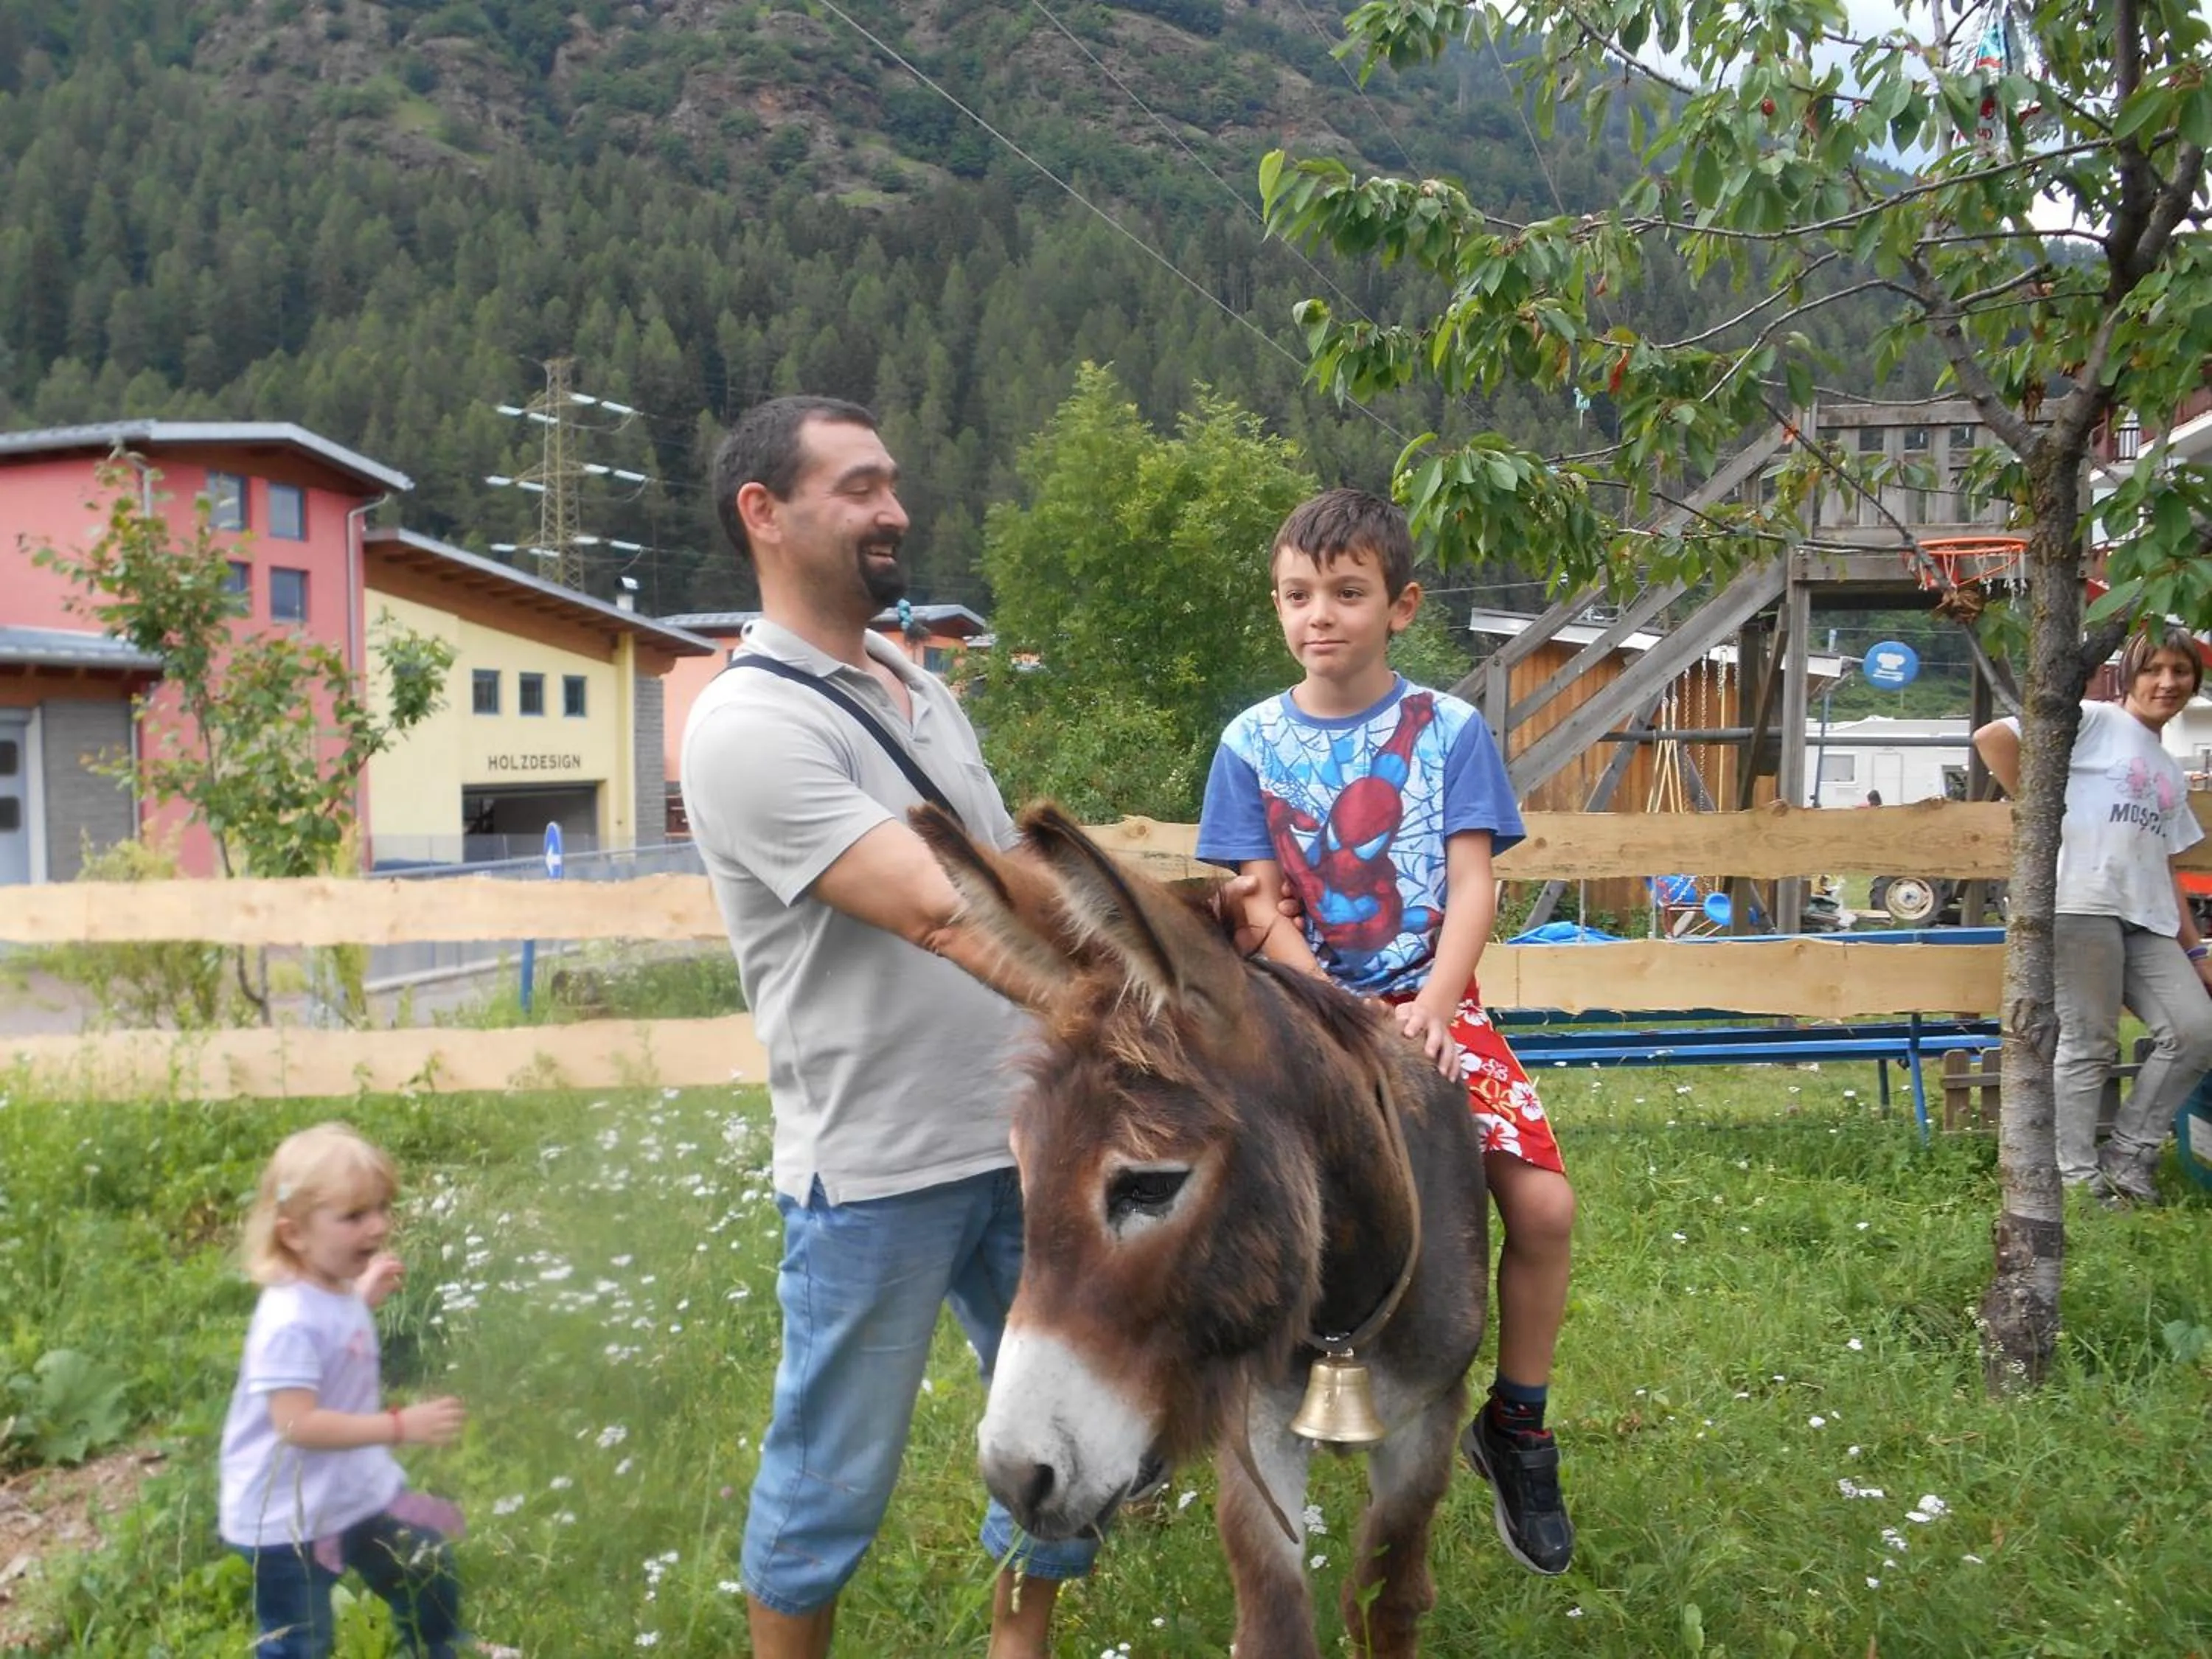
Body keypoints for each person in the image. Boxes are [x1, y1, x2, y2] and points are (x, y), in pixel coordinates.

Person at [680, 396, 1098, 1658]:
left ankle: (1018, 1646)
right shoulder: (751, 725)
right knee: (832, 1477)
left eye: (894, 485)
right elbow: (941, 912)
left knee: (1063, 1430)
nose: (896, 510)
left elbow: (1009, 866)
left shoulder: (914, 682)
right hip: (874, 1167)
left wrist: (1166, 925)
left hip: (1021, 1141)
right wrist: (1123, 1006)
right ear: (766, 512)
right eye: (860, 487)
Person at [1197, 487, 1579, 1576]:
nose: (1322, 614)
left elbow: (1470, 885)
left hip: (1435, 997)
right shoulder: (1251, 744)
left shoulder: (1448, 732)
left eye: (1349, 593)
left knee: (1545, 1205)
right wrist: (1339, 1005)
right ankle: (1187, 1378)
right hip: (1302, 1005)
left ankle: (1517, 1422)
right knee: (1205, 1183)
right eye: (1298, 594)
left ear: (1402, 605)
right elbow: (1257, 902)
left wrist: (1435, 1004)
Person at [1972, 626, 2212, 1206]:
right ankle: (2076, 1182)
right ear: (2130, 673)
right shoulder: (2095, 720)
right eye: (2153, 669)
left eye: (2181, 673)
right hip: (2081, 903)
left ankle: (2128, 1157)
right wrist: (2040, 811)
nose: (2167, 682)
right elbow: (1993, 738)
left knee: (2196, 1031)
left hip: (2147, 918)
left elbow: (2165, 866)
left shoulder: (2169, 769)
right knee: (2089, 1042)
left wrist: (2197, 948)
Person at [219, 1123, 473, 1659]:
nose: (378, 1226)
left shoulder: (329, 1285)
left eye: (382, 1208)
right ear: (293, 1234)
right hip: (288, 1522)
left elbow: (332, 1330)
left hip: (356, 1492)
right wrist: (400, 1426)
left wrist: (360, 1297)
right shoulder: (285, 1321)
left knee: (425, 1565)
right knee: (300, 1639)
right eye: (355, 1216)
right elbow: (296, 1424)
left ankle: (441, 1648)